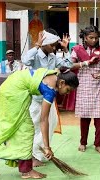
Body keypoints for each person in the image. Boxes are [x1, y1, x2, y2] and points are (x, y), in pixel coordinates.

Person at [0, 67, 79, 179]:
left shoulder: (54, 74)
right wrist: (47, 147)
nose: (67, 94)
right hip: (13, 95)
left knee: (11, 132)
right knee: (26, 132)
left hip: (8, 89)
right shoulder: (50, 90)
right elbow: (44, 119)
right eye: (68, 90)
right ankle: (26, 170)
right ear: (62, 83)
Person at [22, 28, 74, 166]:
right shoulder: (35, 55)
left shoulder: (53, 57)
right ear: (44, 44)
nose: (53, 48)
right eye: (51, 45)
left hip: (48, 98)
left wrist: (66, 48)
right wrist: (37, 45)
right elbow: (25, 60)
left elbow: (68, 64)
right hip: (34, 98)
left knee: (51, 123)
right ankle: (31, 157)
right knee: (36, 127)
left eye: (55, 45)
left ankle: (40, 153)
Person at [70, 25, 100, 154]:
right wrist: (86, 62)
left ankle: (98, 144)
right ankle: (83, 142)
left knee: (99, 118)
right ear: (84, 37)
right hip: (83, 86)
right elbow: (70, 65)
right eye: (91, 38)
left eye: (96, 38)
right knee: (84, 118)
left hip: (97, 88)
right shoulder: (77, 50)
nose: (94, 40)